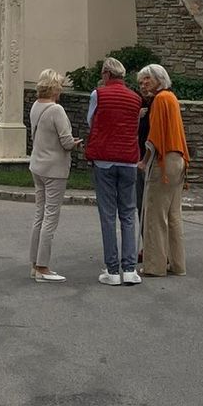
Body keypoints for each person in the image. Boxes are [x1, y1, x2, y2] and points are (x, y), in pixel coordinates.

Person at [84, 56, 143, 286]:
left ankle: (112, 269)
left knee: (108, 215)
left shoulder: (98, 94)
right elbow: (134, 126)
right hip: (128, 159)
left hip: (104, 159)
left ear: (107, 74)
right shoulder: (135, 98)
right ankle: (129, 269)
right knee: (128, 213)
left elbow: (92, 121)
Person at [137, 65, 190, 278]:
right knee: (174, 215)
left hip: (163, 161)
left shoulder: (160, 100)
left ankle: (155, 265)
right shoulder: (172, 98)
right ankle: (178, 264)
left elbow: (155, 136)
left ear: (159, 79)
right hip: (178, 160)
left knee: (155, 216)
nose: (143, 84)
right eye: (141, 82)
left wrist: (144, 161)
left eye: (147, 80)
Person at [28, 70, 79, 283]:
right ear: (55, 88)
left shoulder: (35, 106)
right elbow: (66, 142)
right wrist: (75, 143)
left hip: (38, 165)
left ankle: (34, 262)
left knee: (39, 215)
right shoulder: (56, 110)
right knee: (51, 216)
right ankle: (43, 266)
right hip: (55, 169)